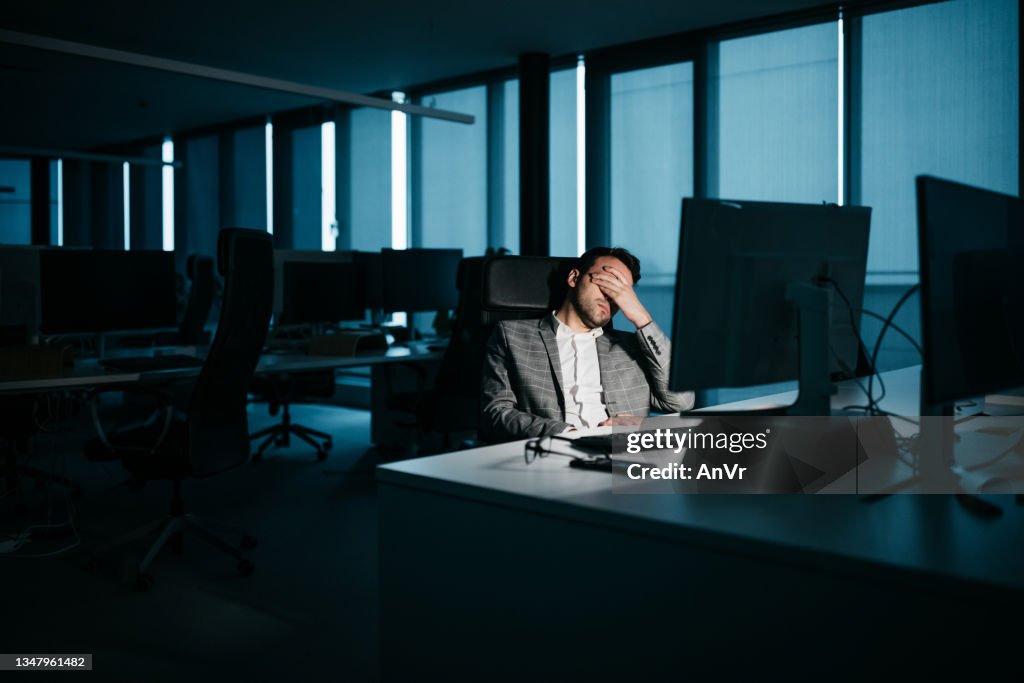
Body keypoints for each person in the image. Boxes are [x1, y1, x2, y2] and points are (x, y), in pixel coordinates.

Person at [480, 246, 694, 443]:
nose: (612, 295)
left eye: (622, 291)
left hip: (624, 459)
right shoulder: (512, 335)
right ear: (574, 278)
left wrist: (641, 316)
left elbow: (682, 401)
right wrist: (568, 434)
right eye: (608, 282)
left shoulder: (635, 346)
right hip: (554, 454)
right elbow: (496, 412)